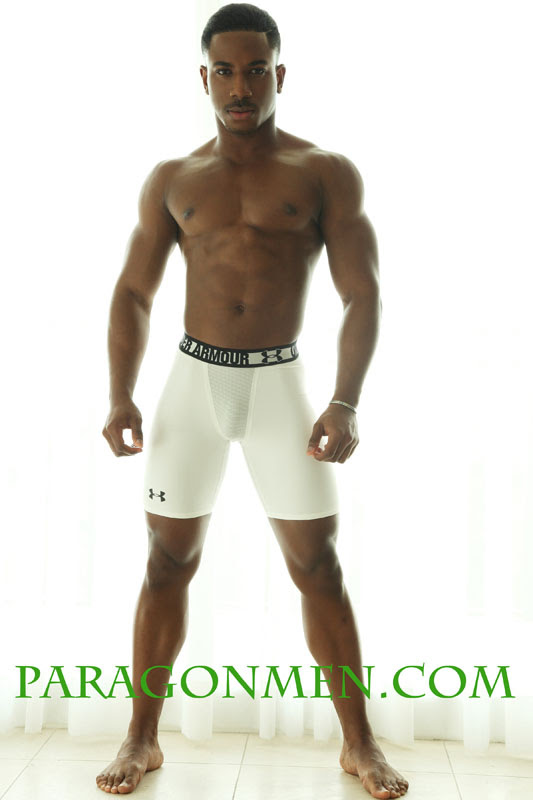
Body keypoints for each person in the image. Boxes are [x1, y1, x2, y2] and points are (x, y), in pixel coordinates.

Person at [99, 3, 408, 797]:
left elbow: (362, 294)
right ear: (204, 78)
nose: (241, 87)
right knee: (166, 562)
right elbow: (133, 292)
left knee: (317, 566)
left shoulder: (323, 172)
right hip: (192, 384)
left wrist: (345, 401)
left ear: (279, 74)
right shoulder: (174, 179)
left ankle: (359, 746)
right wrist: (120, 394)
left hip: (280, 385)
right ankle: (141, 740)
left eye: (256, 70)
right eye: (225, 72)